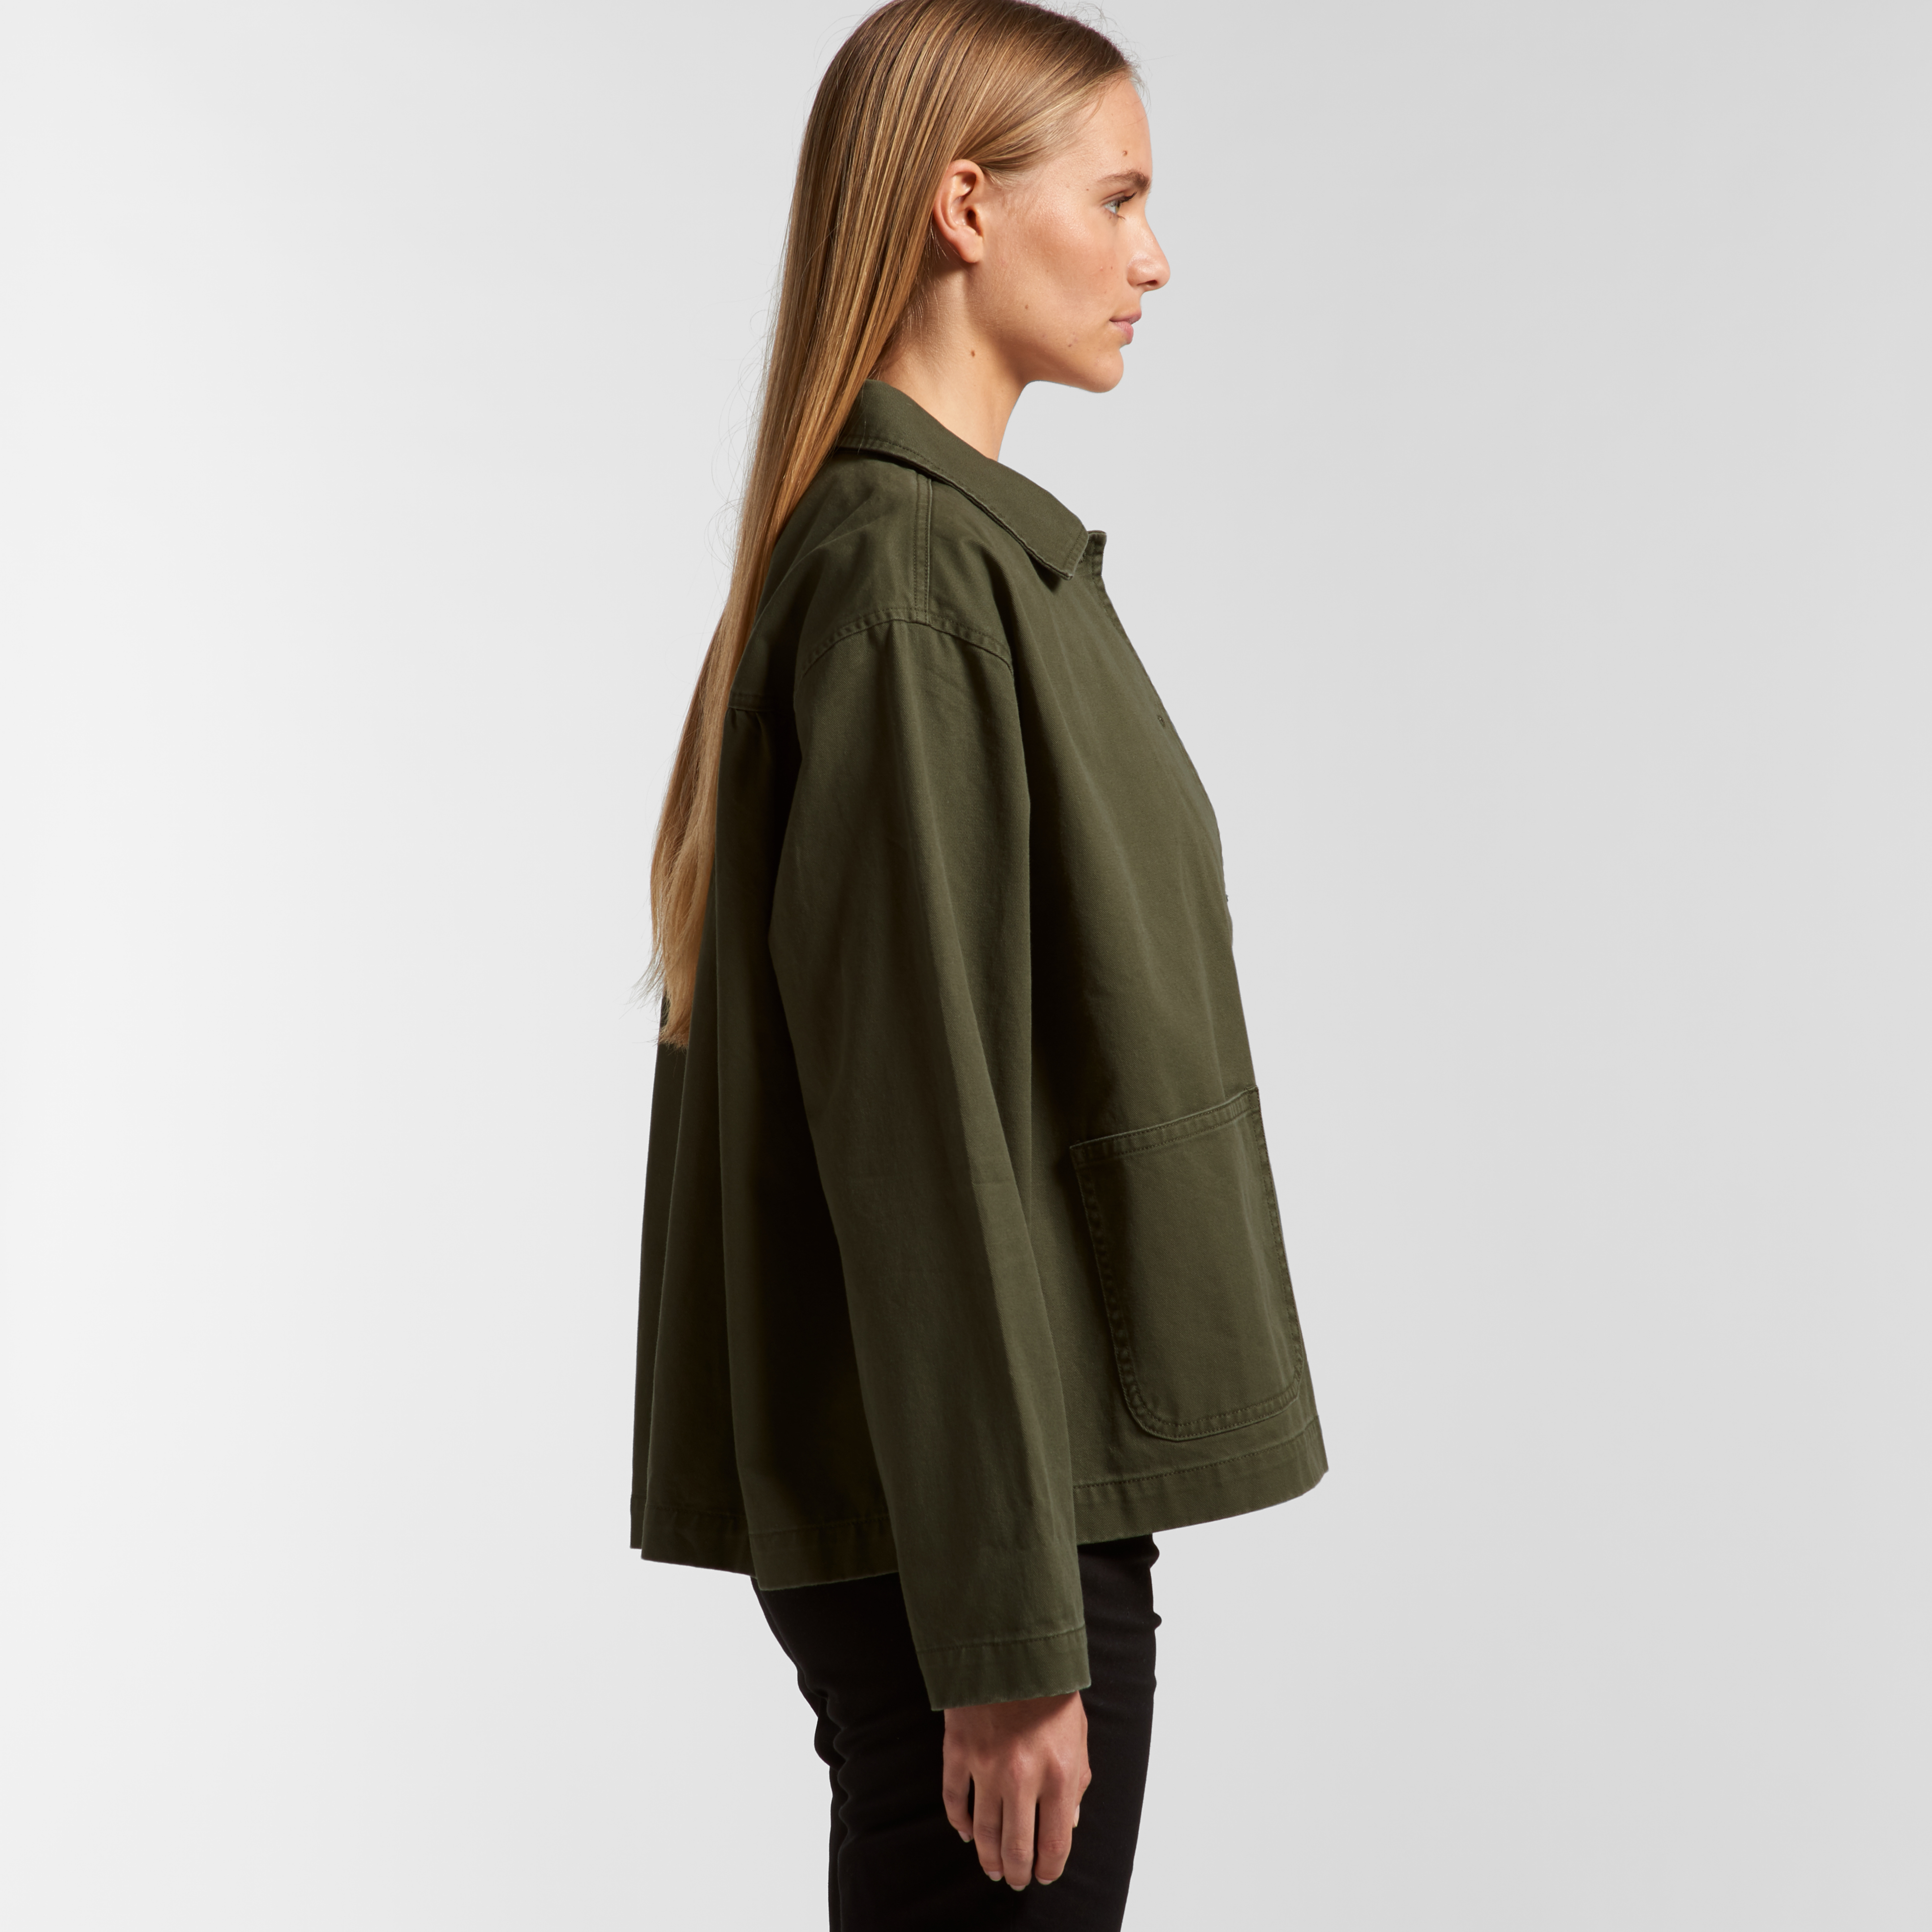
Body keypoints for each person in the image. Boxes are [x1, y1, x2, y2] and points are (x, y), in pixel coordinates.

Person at [633, 2, 1325, 1923]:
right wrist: (1009, 1634)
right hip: (988, 1537)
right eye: (1116, 198)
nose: (1152, 258)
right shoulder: (911, 579)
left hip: (1000, 1508)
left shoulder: (950, 559)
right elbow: (920, 1129)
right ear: (964, 207)